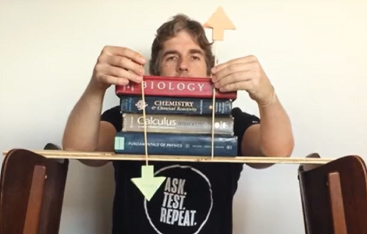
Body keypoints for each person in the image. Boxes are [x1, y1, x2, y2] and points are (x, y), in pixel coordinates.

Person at [62, 14, 294, 234]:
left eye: (195, 56)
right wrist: (96, 87)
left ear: (211, 68)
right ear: (155, 70)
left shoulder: (230, 118)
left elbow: (276, 151)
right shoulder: (131, 113)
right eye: (171, 57)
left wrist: (266, 95)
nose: (183, 65)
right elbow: (79, 149)